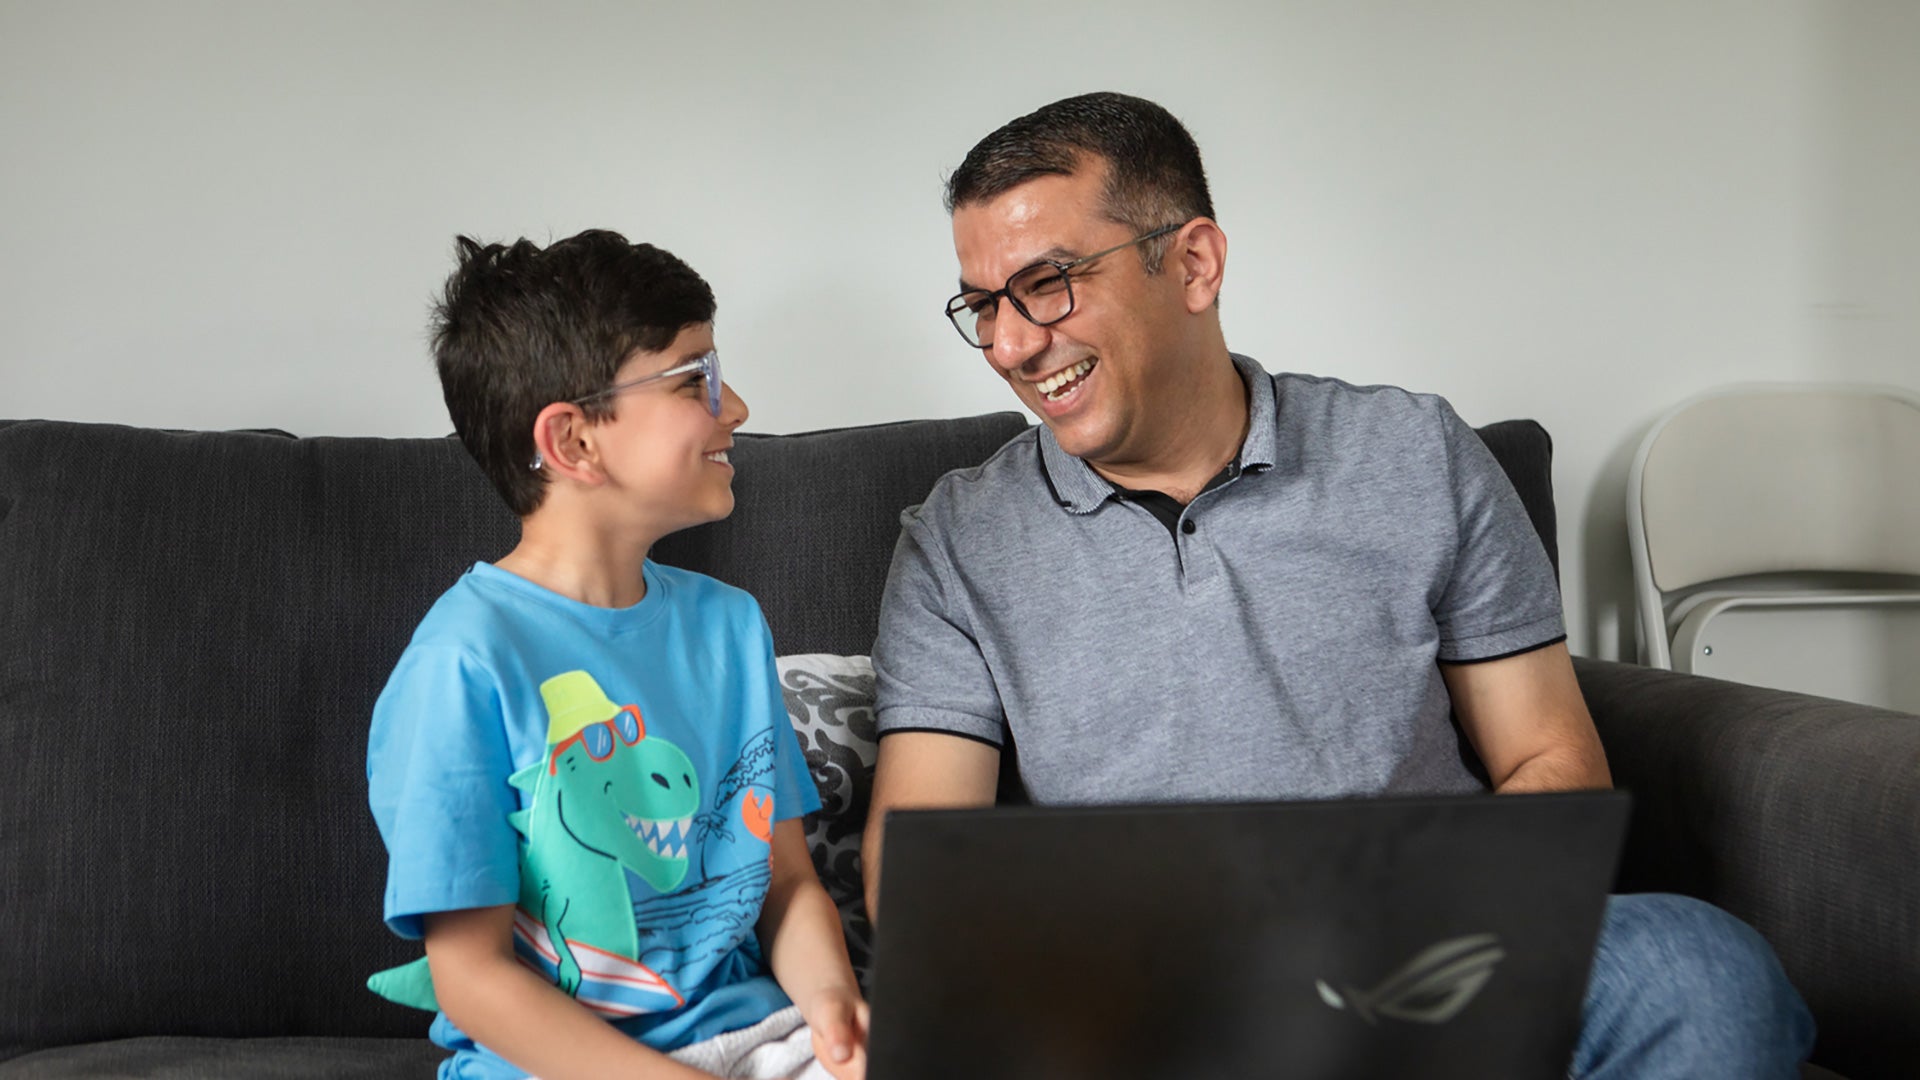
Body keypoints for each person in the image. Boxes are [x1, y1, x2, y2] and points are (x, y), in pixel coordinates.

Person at [864, 92, 1814, 1078]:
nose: (1012, 345)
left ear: (1193, 262)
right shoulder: (960, 537)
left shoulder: (1415, 452)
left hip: (1427, 959)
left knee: (1701, 966)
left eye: (1048, 283)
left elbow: (1550, 756)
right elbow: (921, 865)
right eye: (983, 304)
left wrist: (1416, 930)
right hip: (1151, 1008)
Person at [366, 230, 868, 1080]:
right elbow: (472, 979)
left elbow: (784, 884)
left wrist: (834, 1010)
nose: (735, 405)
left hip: (759, 1040)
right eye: (692, 378)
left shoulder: (731, 625)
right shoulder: (461, 664)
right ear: (573, 443)